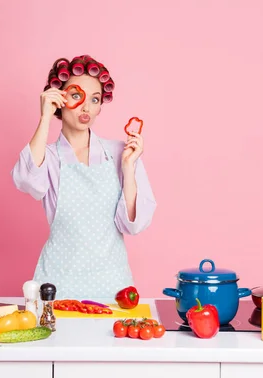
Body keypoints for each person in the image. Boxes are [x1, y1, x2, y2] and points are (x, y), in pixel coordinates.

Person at [11, 54, 157, 299]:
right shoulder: (47, 157)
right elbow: (27, 181)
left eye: (95, 99)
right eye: (76, 96)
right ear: (59, 98)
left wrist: (129, 168)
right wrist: (45, 116)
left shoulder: (121, 153)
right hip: (57, 285)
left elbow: (132, 224)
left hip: (113, 288)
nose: (86, 107)